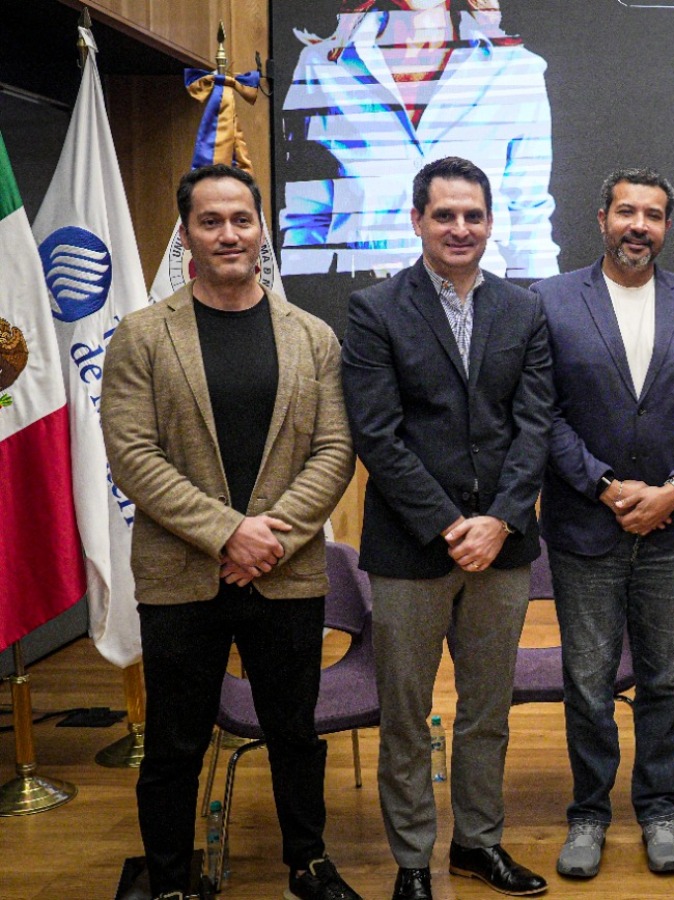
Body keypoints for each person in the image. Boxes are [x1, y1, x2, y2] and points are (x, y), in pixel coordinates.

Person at [102, 164, 360, 900]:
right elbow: (133, 455)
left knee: (295, 732)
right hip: (181, 577)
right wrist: (227, 535)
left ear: (260, 230)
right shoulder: (143, 335)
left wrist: (267, 537)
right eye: (210, 221)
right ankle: (171, 880)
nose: (228, 234)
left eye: (241, 220)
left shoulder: (311, 336)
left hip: (285, 570)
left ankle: (307, 863)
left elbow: (334, 450)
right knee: (174, 744)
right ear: (186, 234)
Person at [341, 156, 553, 900]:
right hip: (410, 549)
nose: (460, 228)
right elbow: (377, 434)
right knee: (406, 714)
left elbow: (534, 426)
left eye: (473, 215)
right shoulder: (374, 309)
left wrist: (499, 520)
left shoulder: (523, 309)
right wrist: (449, 525)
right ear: (416, 220)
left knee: (487, 711)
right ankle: (411, 862)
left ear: (490, 223)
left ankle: (477, 844)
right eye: (444, 215)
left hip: (503, 547)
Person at [530, 168, 674, 879]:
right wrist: (604, 485)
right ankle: (588, 813)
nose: (638, 225)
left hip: (670, 531)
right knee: (587, 683)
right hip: (585, 527)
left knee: (663, 680)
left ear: (666, 226)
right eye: (626, 211)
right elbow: (543, 411)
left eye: (652, 214)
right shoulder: (550, 299)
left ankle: (657, 810)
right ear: (601, 218)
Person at [281, 0, 558, 279]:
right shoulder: (321, 67)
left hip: (478, 296)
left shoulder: (515, 70)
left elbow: (529, 221)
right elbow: (305, 218)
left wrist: (539, 304)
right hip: (358, 296)